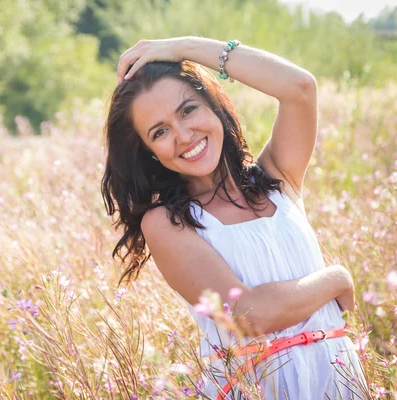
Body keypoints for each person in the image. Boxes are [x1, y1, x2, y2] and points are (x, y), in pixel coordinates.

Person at [101, 36, 368, 398]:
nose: (183, 136)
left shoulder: (278, 180)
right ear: (149, 154)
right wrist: (336, 279)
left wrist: (185, 48)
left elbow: (300, 87)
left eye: (188, 110)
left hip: (337, 381)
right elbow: (248, 316)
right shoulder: (166, 223)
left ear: (214, 106)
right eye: (159, 132)